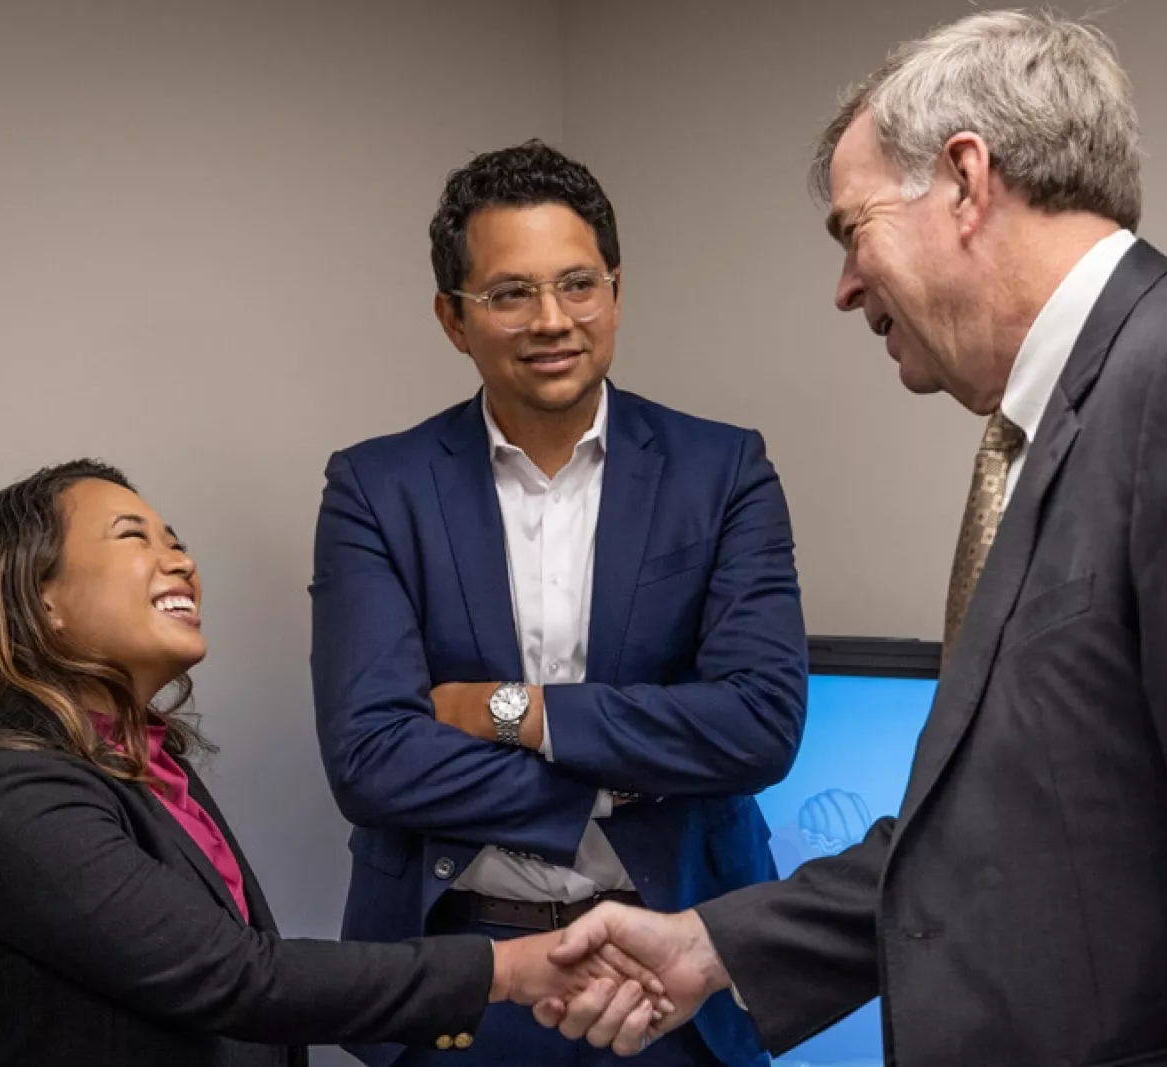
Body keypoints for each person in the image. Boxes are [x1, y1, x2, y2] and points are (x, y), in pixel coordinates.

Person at [537, 10, 1167, 1065]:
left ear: (966, 179)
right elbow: (994, 829)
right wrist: (709, 942)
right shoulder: (1065, 422)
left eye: (851, 231)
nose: (843, 288)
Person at [0, 459, 660, 1067]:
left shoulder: (140, 764)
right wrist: (508, 968)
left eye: (179, 540)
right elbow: (237, 979)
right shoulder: (6, 787)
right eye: (135, 537)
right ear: (38, 598)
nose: (180, 560)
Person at [310, 141, 807, 1067]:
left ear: (615, 290)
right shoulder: (377, 489)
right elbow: (372, 759)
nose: (552, 320)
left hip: (674, 975)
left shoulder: (722, 470)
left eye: (578, 284)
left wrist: (517, 711)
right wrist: (622, 778)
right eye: (510, 294)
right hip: (467, 978)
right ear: (454, 319)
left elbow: (760, 725)